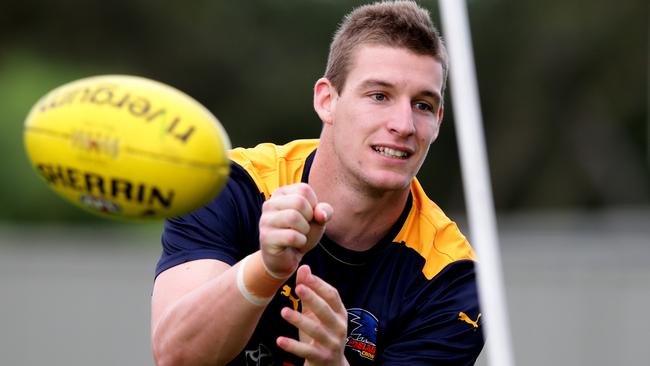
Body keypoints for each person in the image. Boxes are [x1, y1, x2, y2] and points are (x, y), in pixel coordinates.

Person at [151, 1, 485, 365]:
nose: (403, 125)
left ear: (438, 121)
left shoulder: (451, 278)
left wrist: (332, 363)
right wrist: (266, 268)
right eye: (379, 96)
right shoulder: (229, 183)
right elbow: (177, 356)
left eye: (422, 105)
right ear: (327, 100)